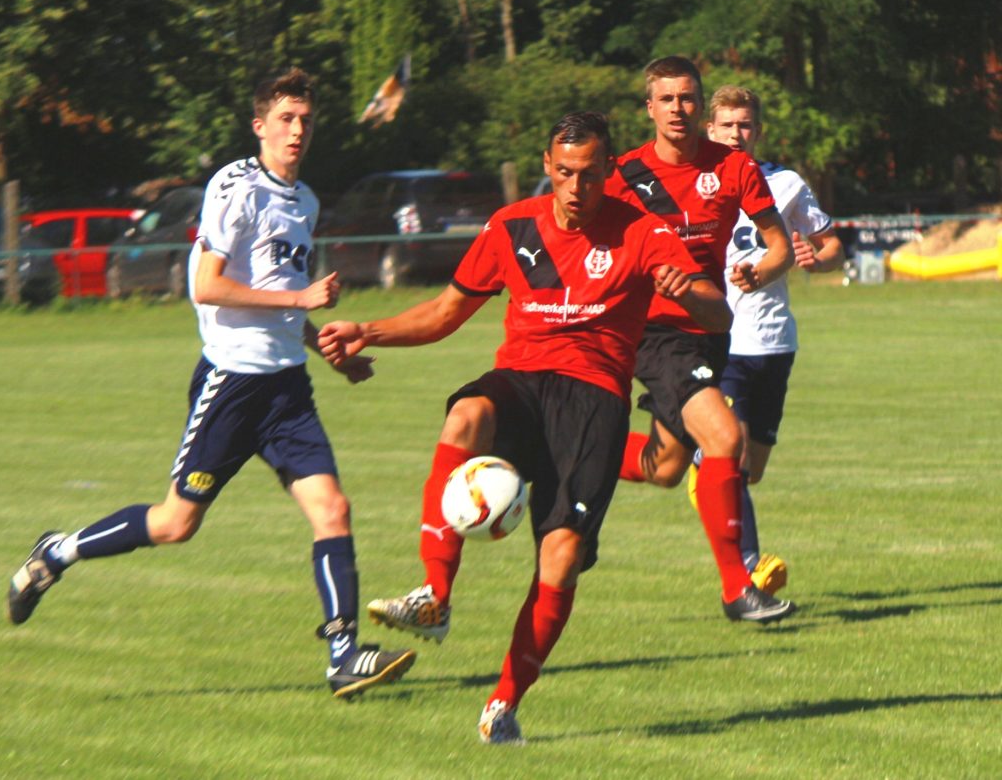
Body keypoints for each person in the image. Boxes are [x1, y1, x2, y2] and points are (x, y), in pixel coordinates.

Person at [318, 111, 731, 744]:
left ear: (607, 171)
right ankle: (434, 594)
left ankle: (503, 704)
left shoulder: (643, 233)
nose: (575, 188)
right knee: (467, 414)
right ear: (546, 166)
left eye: (589, 175)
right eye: (564, 173)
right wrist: (366, 330)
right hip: (523, 380)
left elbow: (718, 314)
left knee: (559, 557)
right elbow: (446, 311)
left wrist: (691, 291)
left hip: (594, 401)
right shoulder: (511, 227)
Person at [5, 67, 416, 701]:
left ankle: (343, 656)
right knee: (176, 524)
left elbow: (282, 298)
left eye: (305, 120)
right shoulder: (235, 186)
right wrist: (303, 297)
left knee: (332, 509)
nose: (297, 130)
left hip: (286, 390)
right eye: (285, 119)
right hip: (232, 384)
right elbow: (207, 286)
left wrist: (326, 350)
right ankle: (56, 553)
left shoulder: (303, 200)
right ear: (260, 126)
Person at [608, 56, 797, 624]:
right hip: (656, 332)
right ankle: (738, 587)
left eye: (687, 98)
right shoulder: (623, 176)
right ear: (650, 107)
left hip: (711, 328)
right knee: (723, 436)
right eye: (666, 99)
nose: (678, 109)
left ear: (701, 103)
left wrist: (759, 272)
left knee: (665, 467)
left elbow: (779, 245)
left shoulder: (735, 169)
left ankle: (557, 446)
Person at [699, 84, 844, 592]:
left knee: (749, 471)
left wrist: (818, 258)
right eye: (727, 125)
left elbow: (832, 247)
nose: (736, 134)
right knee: (728, 455)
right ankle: (750, 573)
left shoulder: (785, 184)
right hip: (722, 343)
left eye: (745, 126)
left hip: (775, 344)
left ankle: (707, 479)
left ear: (756, 131)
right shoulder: (693, 187)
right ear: (710, 130)